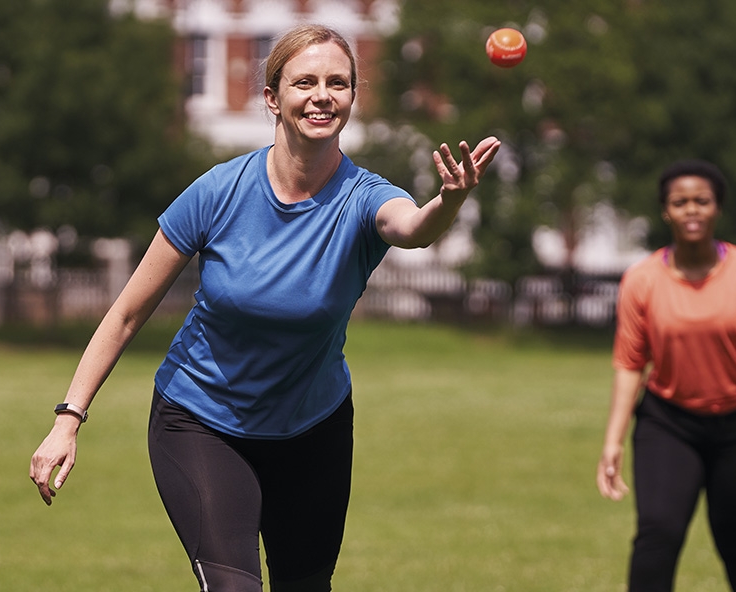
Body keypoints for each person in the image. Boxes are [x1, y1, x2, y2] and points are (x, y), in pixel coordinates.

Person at [29, 23, 500, 592]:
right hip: (203, 420)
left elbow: (413, 228)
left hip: (313, 428)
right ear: (273, 99)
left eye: (338, 83)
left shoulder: (365, 196)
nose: (322, 95)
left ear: (353, 96)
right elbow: (127, 313)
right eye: (305, 82)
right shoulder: (217, 192)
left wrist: (447, 201)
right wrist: (68, 418)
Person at [596, 160, 736, 591]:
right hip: (669, 423)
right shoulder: (642, 279)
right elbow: (629, 362)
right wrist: (612, 440)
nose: (692, 210)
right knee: (657, 537)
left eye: (702, 201)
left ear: (717, 208)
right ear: (666, 211)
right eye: (680, 203)